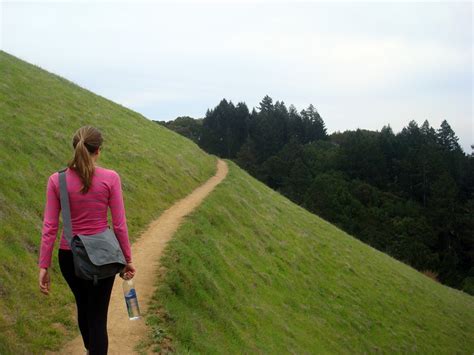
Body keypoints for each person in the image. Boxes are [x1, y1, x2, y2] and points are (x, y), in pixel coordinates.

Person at [38, 125, 136, 355]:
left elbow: (50, 227)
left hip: (70, 256)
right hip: (103, 256)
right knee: (98, 316)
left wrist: (44, 265)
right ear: (98, 150)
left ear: (76, 147)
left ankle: (91, 350)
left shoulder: (56, 180)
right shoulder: (111, 178)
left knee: (83, 307)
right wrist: (127, 259)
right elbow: (120, 224)